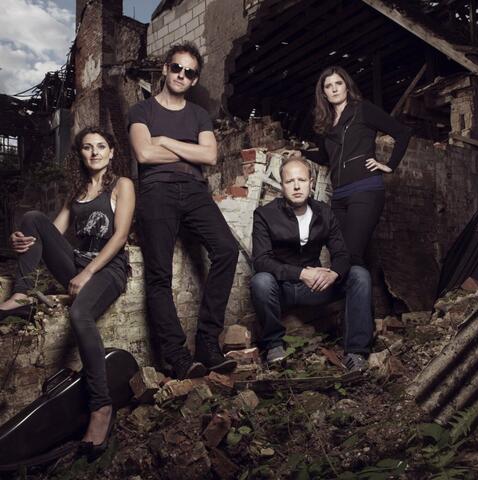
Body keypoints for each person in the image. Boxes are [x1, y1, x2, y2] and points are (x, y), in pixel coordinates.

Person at [0, 127, 135, 458]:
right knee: (32, 219)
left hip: (108, 269)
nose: (94, 152)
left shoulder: (122, 186)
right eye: (87, 147)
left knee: (79, 313)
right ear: (80, 154)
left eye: (101, 146)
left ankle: (101, 408)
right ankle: (21, 296)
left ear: (112, 152)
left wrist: (88, 273)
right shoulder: (75, 193)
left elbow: (119, 238)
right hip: (78, 264)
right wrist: (21, 243)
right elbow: (50, 234)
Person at [128, 42, 238, 380]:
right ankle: (176, 355)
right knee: (159, 273)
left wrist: (164, 141)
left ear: (194, 80)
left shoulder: (198, 115)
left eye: (189, 72)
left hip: (193, 191)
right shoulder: (142, 111)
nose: (181, 75)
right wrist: (187, 150)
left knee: (227, 249)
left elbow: (210, 157)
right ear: (165, 69)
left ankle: (208, 343)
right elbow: (144, 155)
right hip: (156, 191)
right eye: (176, 68)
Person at [251, 157, 373, 371]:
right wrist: (300, 273)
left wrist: (333, 273)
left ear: (311, 182)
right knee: (260, 281)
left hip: (317, 288)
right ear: (282, 185)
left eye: (302, 180)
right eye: (290, 181)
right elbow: (261, 261)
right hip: (283, 289)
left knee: (359, 275)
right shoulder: (265, 214)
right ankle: (274, 347)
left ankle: (356, 353)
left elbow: (342, 254)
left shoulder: (324, 212)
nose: (297, 186)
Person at [288, 66, 412, 266]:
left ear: (347, 86)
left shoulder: (363, 109)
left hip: (365, 190)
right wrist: (302, 154)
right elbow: (325, 156)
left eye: (339, 83)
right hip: (339, 196)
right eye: (328, 86)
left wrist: (390, 165)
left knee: (351, 255)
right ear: (324, 94)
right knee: (341, 255)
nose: (334, 89)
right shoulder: (325, 123)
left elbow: (403, 133)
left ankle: (358, 295)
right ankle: (365, 295)